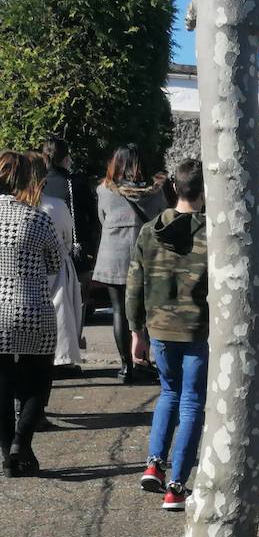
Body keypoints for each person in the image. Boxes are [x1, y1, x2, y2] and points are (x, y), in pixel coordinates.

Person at [127, 160, 209, 511]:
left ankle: (154, 464)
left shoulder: (148, 231)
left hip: (159, 327)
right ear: (205, 192)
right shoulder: (212, 233)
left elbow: (135, 285)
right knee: (191, 402)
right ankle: (177, 486)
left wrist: (136, 331)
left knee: (169, 393)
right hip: (196, 328)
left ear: (174, 188)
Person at [0, 152, 61, 476]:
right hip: (33, 309)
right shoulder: (37, 218)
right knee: (38, 382)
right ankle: (21, 442)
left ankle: (7, 454)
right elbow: (54, 264)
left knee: (2, 384)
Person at [95, 144, 167, 382]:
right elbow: (163, 220)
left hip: (112, 256)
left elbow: (102, 218)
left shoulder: (104, 190)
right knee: (143, 312)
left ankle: (125, 366)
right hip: (144, 256)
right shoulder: (155, 192)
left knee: (118, 311)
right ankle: (143, 361)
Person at [36, 141, 82, 368]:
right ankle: (63, 357)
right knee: (62, 310)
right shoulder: (59, 201)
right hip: (59, 261)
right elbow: (67, 233)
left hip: (26, 266)